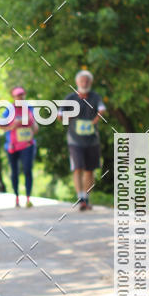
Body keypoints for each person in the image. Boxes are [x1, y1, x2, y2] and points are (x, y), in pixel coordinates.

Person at [59, 70, 106, 210]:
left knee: (89, 170)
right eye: (82, 81)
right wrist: (66, 117)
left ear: (90, 82)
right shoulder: (70, 98)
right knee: (77, 168)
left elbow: (102, 109)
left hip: (92, 140)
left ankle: (86, 197)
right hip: (75, 140)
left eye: (87, 81)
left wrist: (95, 120)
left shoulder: (95, 97)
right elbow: (59, 114)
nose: (84, 83)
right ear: (77, 82)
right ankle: (80, 198)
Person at [0, 86, 38, 208]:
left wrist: (31, 125)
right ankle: (16, 197)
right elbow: (0, 126)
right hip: (12, 146)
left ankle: (28, 198)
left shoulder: (30, 109)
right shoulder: (9, 110)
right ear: (14, 97)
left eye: (22, 95)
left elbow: (36, 128)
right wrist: (13, 126)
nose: (20, 97)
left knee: (27, 170)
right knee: (14, 171)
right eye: (17, 96)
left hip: (27, 144)